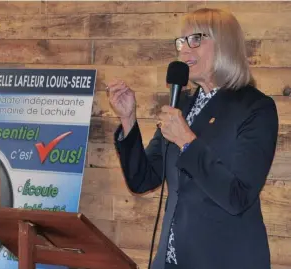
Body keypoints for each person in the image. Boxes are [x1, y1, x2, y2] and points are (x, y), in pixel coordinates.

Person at [106, 8, 278, 269]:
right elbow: (143, 179)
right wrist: (129, 120)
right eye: (181, 42)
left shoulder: (255, 108)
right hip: (171, 259)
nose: (184, 50)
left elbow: (238, 196)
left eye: (195, 39)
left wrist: (187, 141)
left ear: (224, 45)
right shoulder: (182, 106)